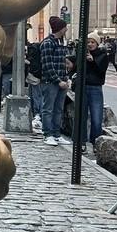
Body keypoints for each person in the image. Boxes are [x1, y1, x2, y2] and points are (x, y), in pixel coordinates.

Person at [39, 16, 71, 146]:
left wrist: (66, 78)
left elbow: (61, 62)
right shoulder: (48, 43)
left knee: (58, 109)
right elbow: (47, 65)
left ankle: (56, 134)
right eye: (65, 27)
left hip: (62, 81)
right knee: (48, 109)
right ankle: (47, 134)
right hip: (50, 82)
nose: (66, 29)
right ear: (60, 28)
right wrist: (58, 81)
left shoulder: (60, 43)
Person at [80, 31, 109, 152]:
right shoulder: (83, 54)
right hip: (83, 86)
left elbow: (101, 70)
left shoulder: (102, 55)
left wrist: (93, 61)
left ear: (97, 43)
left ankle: (95, 142)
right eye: (88, 42)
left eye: (92, 42)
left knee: (96, 117)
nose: (90, 44)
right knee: (82, 116)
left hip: (96, 88)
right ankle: (81, 143)